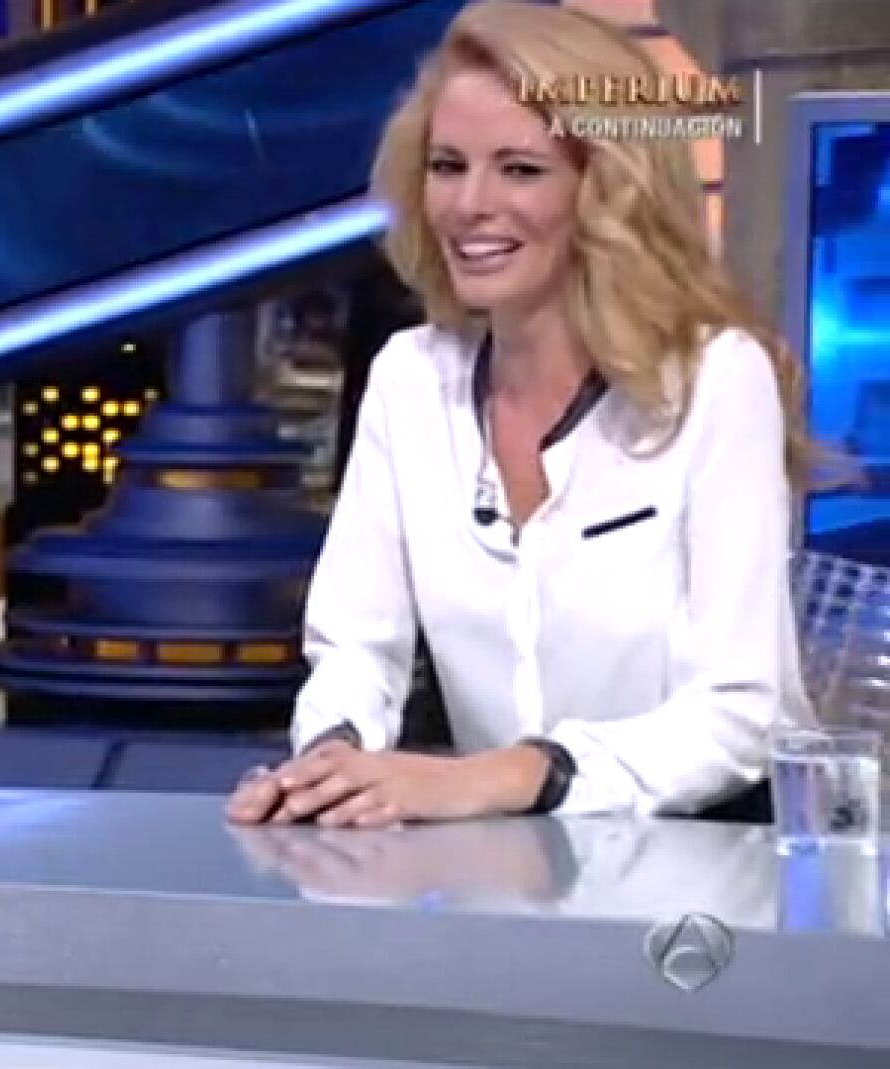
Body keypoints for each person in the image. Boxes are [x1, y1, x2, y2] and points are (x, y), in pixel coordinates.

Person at [226, 0, 818, 827]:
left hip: (702, 866)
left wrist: (519, 774)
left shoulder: (716, 379)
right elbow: (356, 647)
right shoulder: (410, 379)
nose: (469, 204)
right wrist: (332, 763)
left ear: (606, 190)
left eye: (520, 169)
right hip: (504, 872)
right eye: (447, 166)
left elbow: (742, 709)